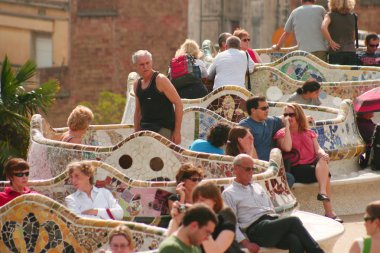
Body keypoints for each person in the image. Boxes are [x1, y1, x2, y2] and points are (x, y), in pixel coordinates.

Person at [222, 154, 324, 253]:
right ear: (236, 169)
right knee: (294, 221)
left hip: (270, 224)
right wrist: (246, 243)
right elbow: (231, 223)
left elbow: (271, 208)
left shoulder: (257, 187)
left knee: (294, 239)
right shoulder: (229, 193)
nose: (251, 172)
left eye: (253, 169)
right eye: (248, 169)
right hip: (256, 229)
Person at [273, 103, 342, 222]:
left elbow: (318, 148)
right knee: (326, 176)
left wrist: (322, 153)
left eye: (292, 114)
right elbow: (287, 148)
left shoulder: (309, 132)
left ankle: (322, 193)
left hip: (313, 166)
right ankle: (329, 211)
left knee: (323, 160)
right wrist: (287, 128)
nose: (289, 117)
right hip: (296, 168)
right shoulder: (281, 133)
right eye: (286, 115)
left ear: (299, 115)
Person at [168, 181, 243, 253]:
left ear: (215, 200)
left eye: (202, 200)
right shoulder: (195, 216)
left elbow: (215, 251)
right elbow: (170, 245)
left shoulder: (226, 216)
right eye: (195, 201)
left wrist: (203, 224)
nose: (198, 204)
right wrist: (176, 220)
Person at [132, 50, 183, 144]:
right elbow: (137, 111)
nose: (145, 67)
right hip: (145, 129)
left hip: (163, 129)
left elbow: (178, 103)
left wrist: (177, 132)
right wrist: (136, 132)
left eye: (147, 63)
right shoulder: (136, 84)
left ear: (152, 62)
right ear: (136, 66)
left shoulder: (160, 80)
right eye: (142, 64)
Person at [226, 126, 295, 188]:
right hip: (249, 184)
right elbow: (249, 171)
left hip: (256, 180)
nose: (252, 139)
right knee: (288, 177)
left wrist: (250, 149)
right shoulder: (233, 158)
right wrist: (249, 151)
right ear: (240, 140)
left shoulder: (250, 148)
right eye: (249, 137)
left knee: (287, 175)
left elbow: (257, 165)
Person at [321, 0, 357, 65]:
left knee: (336, 74)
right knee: (351, 74)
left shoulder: (330, 15)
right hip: (351, 51)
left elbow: (323, 27)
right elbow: (353, 35)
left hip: (336, 51)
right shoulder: (353, 16)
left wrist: (330, 41)